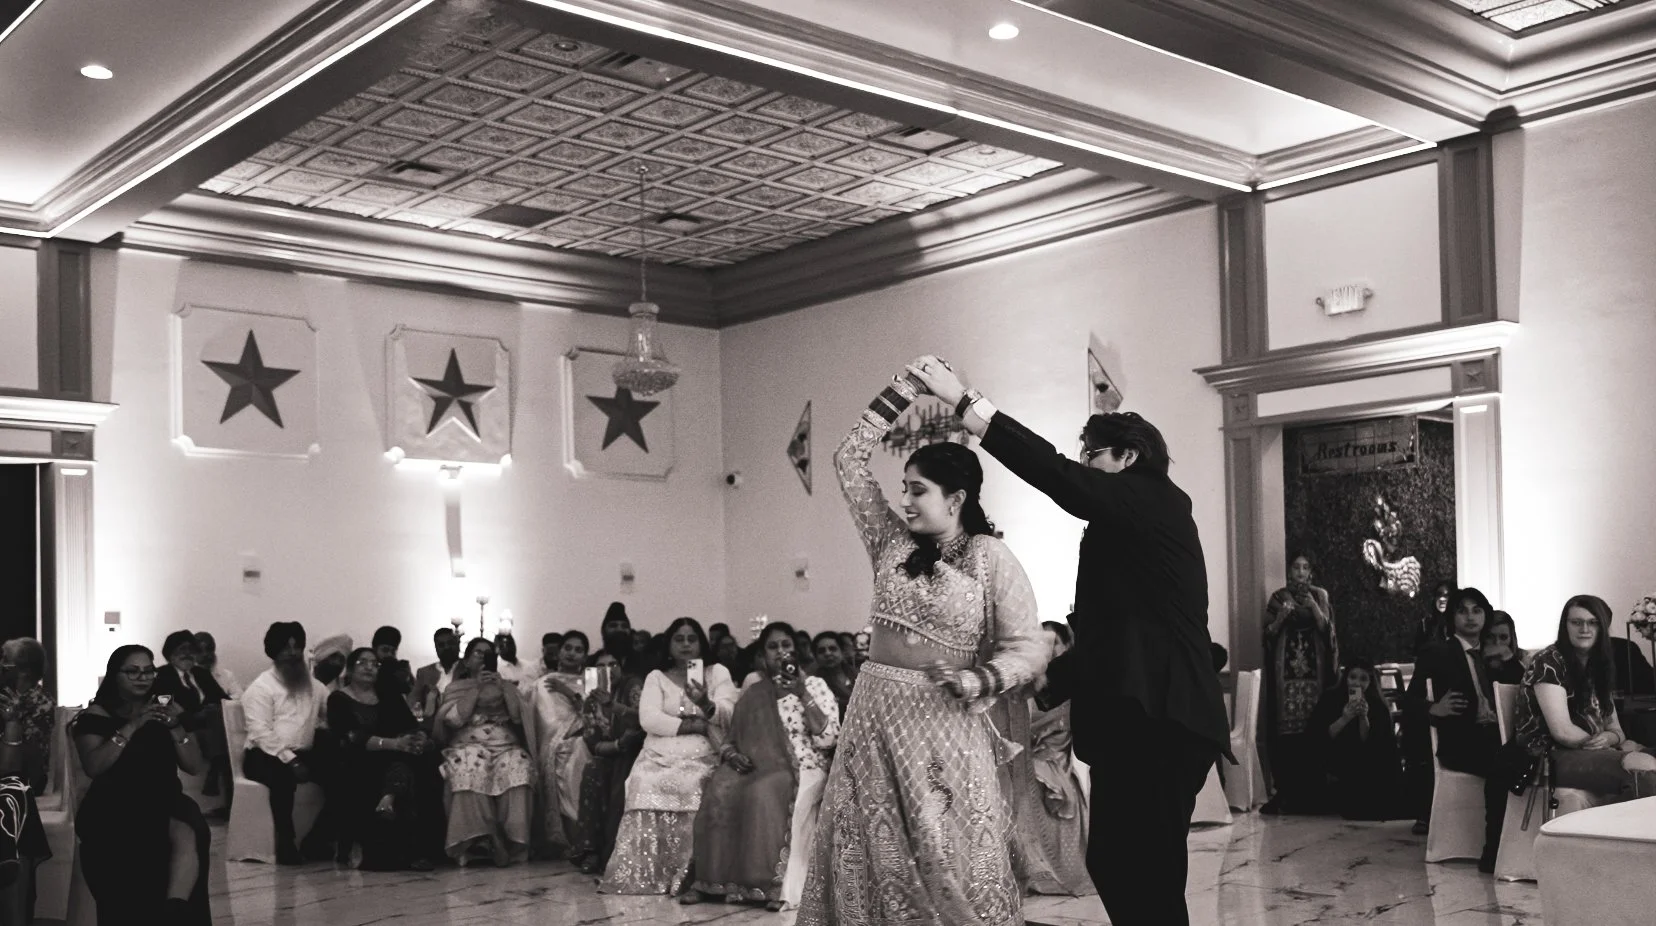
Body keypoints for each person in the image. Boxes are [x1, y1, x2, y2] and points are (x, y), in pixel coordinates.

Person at [907, 357, 1227, 926]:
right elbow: (1117, 629)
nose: (1084, 463)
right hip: (1142, 713)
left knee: (1145, 869)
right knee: (1118, 863)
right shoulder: (1129, 522)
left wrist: (967, 405)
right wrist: (1045, 682)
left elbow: (1057, 477)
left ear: (1129, 457)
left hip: (1162, 715)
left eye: (1093, 453)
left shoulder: (1151, 497)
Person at [797, 367, 1048, 926]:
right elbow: (847, 460)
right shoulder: (889, 540)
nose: (904, 500)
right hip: (874, 715)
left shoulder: (990, 558)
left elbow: (1028, 648)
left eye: (917, 490)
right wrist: (905, 390)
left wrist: (976, 680)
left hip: (943, 723)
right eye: (903, 488)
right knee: (862, 840)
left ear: (956, 497)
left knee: (944, 848)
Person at [684, 622, 840, 911]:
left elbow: (828, 738)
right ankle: (712, 882)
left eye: (786, 646)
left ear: (795, 651)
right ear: (762, 656)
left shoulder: (815, 685)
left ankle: (766, 884)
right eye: (773, 647)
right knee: (718, 788)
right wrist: (731, 756)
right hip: (759, 765)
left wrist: (802, 692)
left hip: (806, 766)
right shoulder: (755, 692)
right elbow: (733, 737)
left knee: (763, 791)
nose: (780, 652)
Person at [70, 646, 209, 925]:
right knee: (149, 831)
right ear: (115, 675)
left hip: (164, 798)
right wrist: (133, 725)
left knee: (189, 825)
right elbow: (95, 766)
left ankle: (175, 911)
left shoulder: (167, 710)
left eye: (148, 671)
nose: (142, 677)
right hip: (114, 804)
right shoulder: (95, 716)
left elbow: (194, 766)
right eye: (132, 671)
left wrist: (175, 727)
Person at [599, 617, 737, 897]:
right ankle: (650, 873)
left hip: (706, 747)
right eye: (679, 639)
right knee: (643, 781)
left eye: (691, 638)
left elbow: (729, 711)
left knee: (696, 783)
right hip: (661, 748)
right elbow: (648, 718)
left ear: (701, 643)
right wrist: (692, 724)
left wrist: (705, 704)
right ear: (669, 645)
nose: (686, 645)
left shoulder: (716, 672)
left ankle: (692, 874)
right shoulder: (657, 677)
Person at [1513, 595, 1656, 802]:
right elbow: (1562, 732)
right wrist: (1609, 746)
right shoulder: (1548, 661)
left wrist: (1611, 738)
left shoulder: (1599, 664)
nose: (1585, 629)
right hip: (1548, 757)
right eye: (1577, 622)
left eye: (1592, 623)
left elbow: (1616, 729)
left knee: (1646, 759)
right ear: (1565, 626)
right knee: (1643, 770)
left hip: (1591, 749)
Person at [1405, 587, 1505, 872]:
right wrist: (1434, 708)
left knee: (1524, 757)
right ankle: (1493, 850)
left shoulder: (1495, 652)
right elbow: (1409, 700)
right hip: (1461, 742)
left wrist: (1508, 662)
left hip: (1497, 737)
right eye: (1462, 611)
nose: (1470, 617)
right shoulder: (1438, 652)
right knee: (1503, 762)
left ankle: (1520, 842)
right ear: (1452, 617)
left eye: (1477, 610)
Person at [327, 648, 442, 871]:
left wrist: (419, 739)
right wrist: (392, 744)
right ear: (350, 670)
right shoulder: (339, 699)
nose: (370, 667)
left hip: (395, 756)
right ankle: (386, 826)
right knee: (396, 765)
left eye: (374, 664)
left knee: (425, 763)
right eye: (363, 662)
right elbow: (351, 737)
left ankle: (423, 846)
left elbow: (409, 725)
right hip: (359, 760)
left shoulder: (388, 696)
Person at [435, 637, 534, 866]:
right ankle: (477, 840)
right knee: (469, 766)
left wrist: (503, 689)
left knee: (519, 766)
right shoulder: (456, 688)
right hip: (468, 744)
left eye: (487, 653)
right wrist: (477, 688)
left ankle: (513, 842)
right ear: (467, 661)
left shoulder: (508, 686)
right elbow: (454, 719)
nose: (482, 657)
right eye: (477, 653)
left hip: (505, 746)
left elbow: (519, 717)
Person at [240, 621, 334, 865]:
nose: (292, 654)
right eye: (285, 648)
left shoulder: (315, 687)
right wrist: (290, 760)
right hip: (264, 755)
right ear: (273, 652)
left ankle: (317, 840)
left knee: (344, 772)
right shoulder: (260, 688)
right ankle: (285, 842)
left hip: (304, 753)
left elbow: (331, 714)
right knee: (281, 776)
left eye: (296, 648)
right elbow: (261, 733)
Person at [1015, 619, 1094, 896]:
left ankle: (1055, 871)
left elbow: (1060, 729)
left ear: (1066, 646)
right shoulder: (1031, 684)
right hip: (1028, 754)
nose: (1047, 650)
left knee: (1038, 780)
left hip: (1060, 757)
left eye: (1053, 644)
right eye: (1041, 644)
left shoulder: (1070, 683)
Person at [1261, 553, 1338, 814]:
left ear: (1311, 572)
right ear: (1289, 571)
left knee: (1313, 730)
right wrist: (1282, 617)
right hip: (1286, 678)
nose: (1301, 572)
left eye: (1306, 567)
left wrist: (1314, 608)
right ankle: (1287, 791)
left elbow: (1328, 632)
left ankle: (1315, 793)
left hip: (1315, 678)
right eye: (1296, 567)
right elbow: (1268, 635)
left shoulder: (1321, 597)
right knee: (1287, 735)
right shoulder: (1278, 598)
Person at [570, 634, 646, 876]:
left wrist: (615, 706)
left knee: (623, 773)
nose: (608, 670)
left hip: (641, 752)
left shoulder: (633, 686)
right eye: (600, 666)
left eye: (613, 664)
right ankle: (590, 849)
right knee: (593, 770)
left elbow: (642, 720)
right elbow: (593, 742)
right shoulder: (591, 701)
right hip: (613, 753)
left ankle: (621, 850)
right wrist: (618, 745)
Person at [1309, 660, 1405, 820]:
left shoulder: (1377, 705)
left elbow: (1375, 746)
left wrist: (1363, 718)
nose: (1357, 683)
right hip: (1336, 761)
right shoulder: (1331, 698)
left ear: (1370, 682)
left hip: (1365, 765)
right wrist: (1345, 719)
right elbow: (1319, 738)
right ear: (1345, 678)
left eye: (1363, 679)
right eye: (1353, 677)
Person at [526, 630, 590, 857]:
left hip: (585, 741)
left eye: (579, 650)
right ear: (559, 652)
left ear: (585, 657)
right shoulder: (542, 684)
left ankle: (581, 838)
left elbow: (594, 716)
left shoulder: (589, 683)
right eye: (568, 648)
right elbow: (541, 720)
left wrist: (570, 694)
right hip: (553, 745)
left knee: (578, 752)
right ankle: (564, 839)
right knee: (567, 753)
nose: (572, 654)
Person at [149, 630, 230, 802]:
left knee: (217, 715)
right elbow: (164, 704)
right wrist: (193, 714)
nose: (187, 654)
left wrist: (209, 710)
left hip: (208, 725)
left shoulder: (201, 674)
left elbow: (224, 699)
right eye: (181, 650)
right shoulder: (161, 675)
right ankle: (215, 771)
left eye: (190, 650)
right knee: (214, 719)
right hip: (184, 726)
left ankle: (217, 774)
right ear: (170, 655)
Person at [1405, 580, 1456, 834]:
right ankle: (1424, 810)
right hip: (1431, 689)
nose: (1443, 599)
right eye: (1439, 594)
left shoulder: (1463, 631)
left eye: (1448, 595)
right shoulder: (1427, 625)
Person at [0, 638, 56, 792]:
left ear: (24, 671)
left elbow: (33, 758)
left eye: (5, 660)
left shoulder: (42, 703)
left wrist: (14, 719)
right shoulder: (5, 694)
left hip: (28, 780)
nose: (0, 665)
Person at [412, 628, 461, 720]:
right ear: (436, 648)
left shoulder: (468, 669)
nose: (446, 647)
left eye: (450, 643)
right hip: (431, 726)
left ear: (458, 644)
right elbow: (414, 701)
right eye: (441, 645)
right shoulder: (424, 672)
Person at [811, 631, 857, 717]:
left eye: (832, 649)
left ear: (842, 651)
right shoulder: (815, 684)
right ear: (815, 657)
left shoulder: (858, 674)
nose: (827, 653)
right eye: (821, 651)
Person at [193, 631, 242, 699]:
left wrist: (220, 702)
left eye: (208, 649)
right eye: (200, 651)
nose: (205, 654)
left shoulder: (227, 675)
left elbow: (240, 696)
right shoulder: (185, 678)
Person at [371, 626, 414, 703]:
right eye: (385, 650)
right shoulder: (367, 670)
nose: (389, 655)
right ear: (374, 650)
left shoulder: (402, 669)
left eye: (393, 652)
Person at [1484, 611, 1527, 685]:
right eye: (1490, 637)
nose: (1497, 643)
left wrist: (1509, 659)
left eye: (1503, 637)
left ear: (1511, 638)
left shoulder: (1524, 659)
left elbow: (1521, 689)